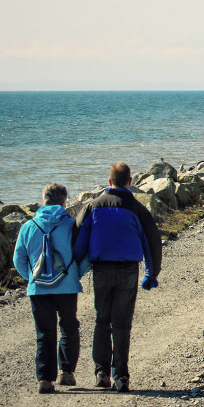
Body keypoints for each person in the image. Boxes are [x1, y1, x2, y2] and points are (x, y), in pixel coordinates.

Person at [73, 162, 162, 393]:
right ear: (130, 182)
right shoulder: (137, 209)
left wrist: (74, 267)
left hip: (101, 269)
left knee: (102, 319)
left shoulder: (93, 206)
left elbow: (78, 241)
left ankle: (101, 372)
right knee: (122, 324)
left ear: (110, 181)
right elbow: (152, 242)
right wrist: (151, 274)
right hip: (128, 271)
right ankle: (121, 376)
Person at [13, 183, 89, 394]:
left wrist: (32, 278)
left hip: (38, 289)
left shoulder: (28, 227)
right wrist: (75, 275)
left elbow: (18, 259)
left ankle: (45, 380)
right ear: (65, 200)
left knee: (44, 333)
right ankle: (66, 372)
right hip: (67, 286)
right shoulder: (71, 225)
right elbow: (84, 255)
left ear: (43, 199)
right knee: (69, 328)